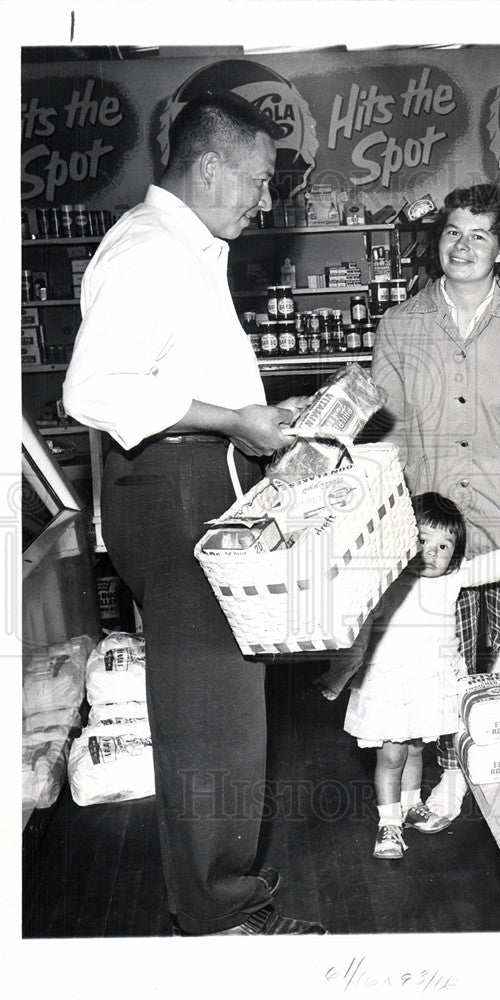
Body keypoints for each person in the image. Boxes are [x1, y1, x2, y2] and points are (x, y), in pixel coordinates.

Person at [63, 92, 327, 936]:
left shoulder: (187, 246)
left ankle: (221, 880)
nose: (261, 196)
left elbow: (178, 375)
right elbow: (92, 390)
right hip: (176, 494)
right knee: (213, 715)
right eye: (254, 178)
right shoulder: (149, 249)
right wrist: (233, 422)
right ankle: (217, 917)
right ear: (208, 166)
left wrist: (256, 429)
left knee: (221, 706)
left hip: (196, 480)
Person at [370, 184, 500, 824]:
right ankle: (449, 777)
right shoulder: (400, 325)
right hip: (433, 540)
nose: (462, 246)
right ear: (439, 241)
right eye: (453, 232)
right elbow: (385, 428)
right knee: (440, 670)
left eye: (478, 235)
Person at [343, 493, 500, 859]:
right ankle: (388, 823)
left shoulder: (451, 579)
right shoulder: (386, 584)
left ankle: (411, 805)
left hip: (428, 685)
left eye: (444, 545)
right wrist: (337, 676)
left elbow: (489, 566)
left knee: (414, 751)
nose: (432, 552)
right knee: (391, 757)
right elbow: (356, 636)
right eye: (422, 540)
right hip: (391, 686)